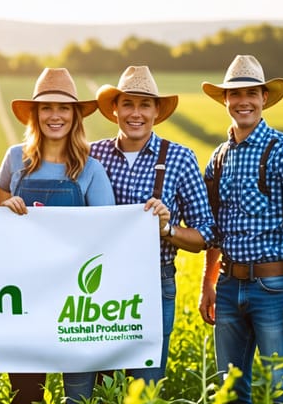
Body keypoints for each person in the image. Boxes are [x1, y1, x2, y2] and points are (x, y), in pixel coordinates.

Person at [0, 67, 115, 404]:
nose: (55, 116)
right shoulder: (15, 160)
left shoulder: (91, 169)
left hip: (75, 303)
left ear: (76, 116)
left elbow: (109, 233)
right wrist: (5, 206)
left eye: (64, 108)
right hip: (24, 300)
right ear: (35, 114)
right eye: (47, 108)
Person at [197, 55, 283, 404]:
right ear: (225, 101)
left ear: (264, 98)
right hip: (229, 286)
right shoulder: (219, 157)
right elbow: (215, 229)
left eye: (251, 93)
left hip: (274, 289)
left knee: (282, 391)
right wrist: (208, 281)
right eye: (235, 95)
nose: (243, 102)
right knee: (229, 392)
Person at [88, 65, 215, 387]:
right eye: (128, 103)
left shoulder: (180, 158)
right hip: (97, 285)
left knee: (144, 387)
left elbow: (204, 235)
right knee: (101, 386)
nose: (136, 113)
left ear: (157, 111)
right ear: (114, 109)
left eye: (145, 105)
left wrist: (167, 229)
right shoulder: (91, 155)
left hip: (154, 284)